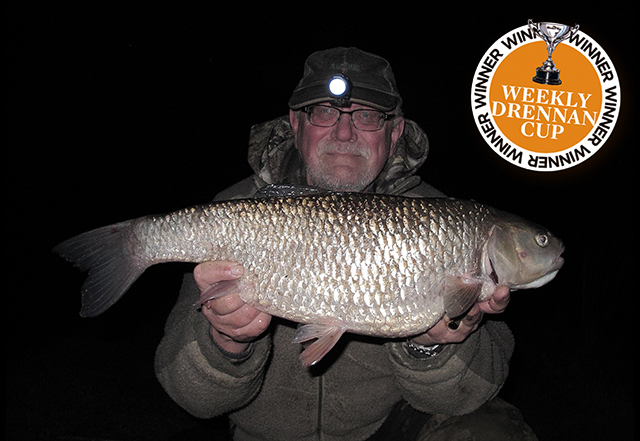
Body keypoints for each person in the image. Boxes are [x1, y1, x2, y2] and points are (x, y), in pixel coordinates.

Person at [154, 47, 537, 441]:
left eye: (367, 116)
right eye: (324, 112)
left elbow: (474, 392)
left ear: (395, 131)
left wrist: (430, 348)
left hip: (386, 429)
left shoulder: (444, 222)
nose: (343, 132)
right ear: (295, 123)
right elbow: (192, 398)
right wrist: (226, 340)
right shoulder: (234, 215)